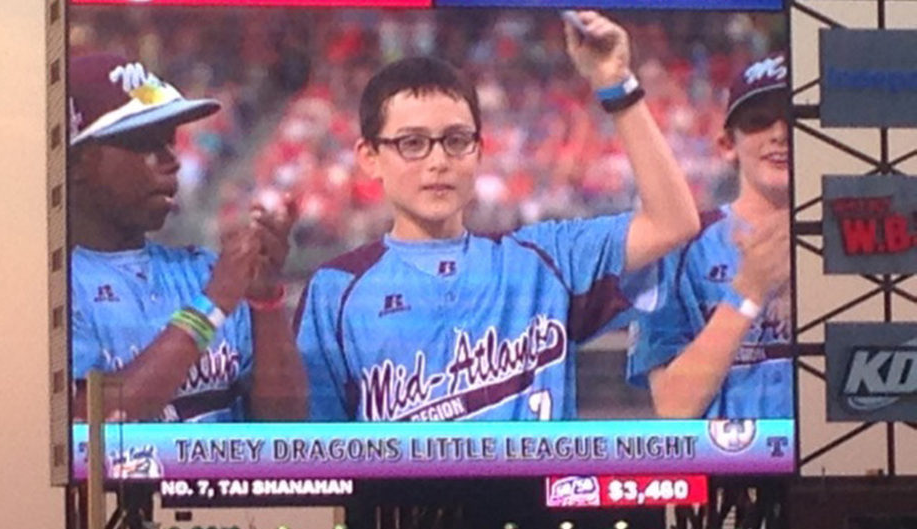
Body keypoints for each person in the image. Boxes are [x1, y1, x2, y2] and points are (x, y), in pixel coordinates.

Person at [295, 12, 699, 421]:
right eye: (412, 143)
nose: (438, 161)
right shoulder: (335, 291)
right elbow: (314, 449)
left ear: (479, 150)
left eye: (456, 141)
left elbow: (674, 223)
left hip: (540, 486)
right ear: (370, 157)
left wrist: (617, 85)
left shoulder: (544, 260)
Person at [68, 53, 306, 421]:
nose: (172, 160)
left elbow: (286, 427)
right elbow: (88, 427)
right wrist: (211, 306)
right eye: (145, 142)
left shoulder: (205, 270)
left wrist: (266, 300)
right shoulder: (52, 290)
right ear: (79, 161)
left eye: (169, 140)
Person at [626, 52, 792, 419]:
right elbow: (672, 406)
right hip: (728, 469)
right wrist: (749, 292)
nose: (779, 134)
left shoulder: (858, 241)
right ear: (727, 145)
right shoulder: (678, 246)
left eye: (795, 118)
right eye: (759, 121)